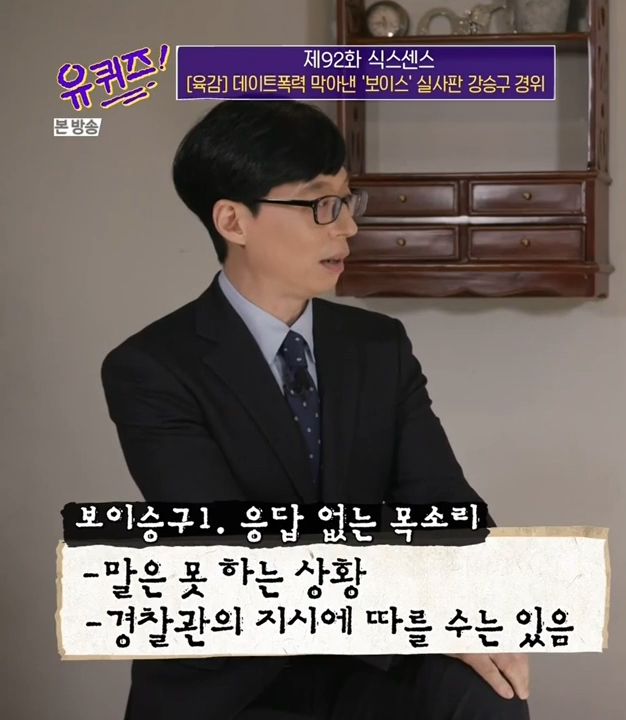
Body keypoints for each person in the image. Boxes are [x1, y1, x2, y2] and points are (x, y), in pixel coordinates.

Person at [101, 100, 530, 720]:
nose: (347, 227)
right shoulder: (151, 368)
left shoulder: (378, 345)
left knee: (488, 690)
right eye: (320, 204)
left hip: (371, 664)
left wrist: (473, 610)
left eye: (347, 201)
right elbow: (238, 554)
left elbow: (444, 504)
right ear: (233, 220)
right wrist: (418, 613)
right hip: (237, 674)